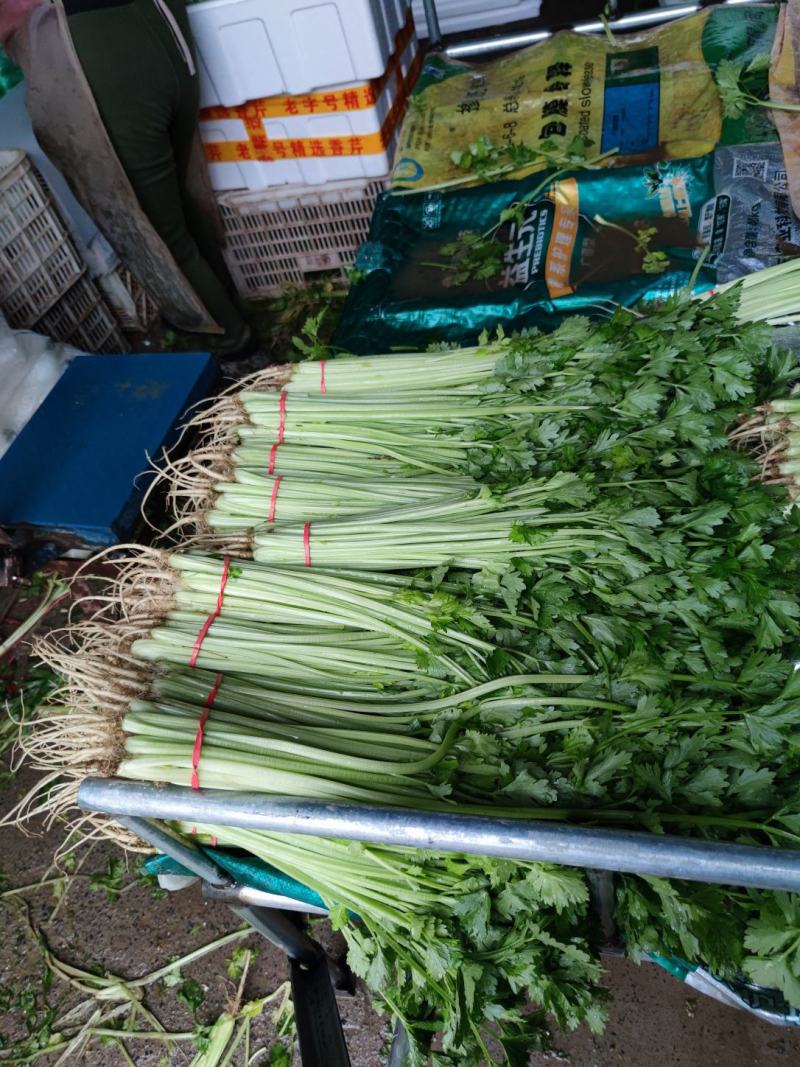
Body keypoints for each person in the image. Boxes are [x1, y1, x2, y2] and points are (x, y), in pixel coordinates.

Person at [2, 0, 255, 358]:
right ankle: (225, 308)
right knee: (177, 196)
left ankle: (229, 345)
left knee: (151, 230)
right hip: (160, 19)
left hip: (87, 46)